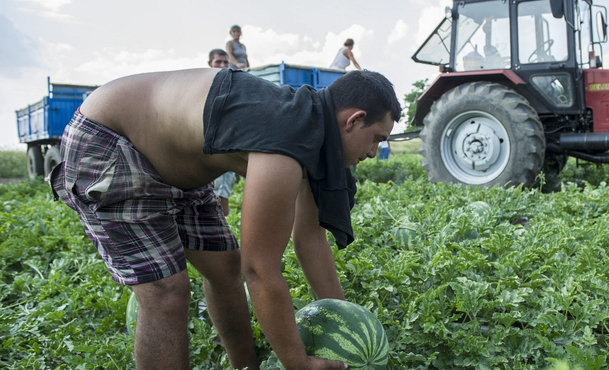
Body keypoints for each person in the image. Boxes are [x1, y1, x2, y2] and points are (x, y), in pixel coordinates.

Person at [48, 68, 401, 370]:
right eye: (376, 140)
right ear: (353, 120)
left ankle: (246, 365)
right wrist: (299, 363)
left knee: (224, 268)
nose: (373, 153)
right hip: (112, 140)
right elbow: (260, 269)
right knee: (167, 293)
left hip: (182, 164)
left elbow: (310, 241)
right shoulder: (286, 140)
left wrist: (352, 325)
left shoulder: (313, 132)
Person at [207, 48, 237, 215]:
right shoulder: (204, 85)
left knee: (222, 190)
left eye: (226, 62)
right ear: (209, 63)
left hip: (225, 145)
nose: (223, 65)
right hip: (207, 147)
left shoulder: (230, 85)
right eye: (218, 61)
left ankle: (223, 227)